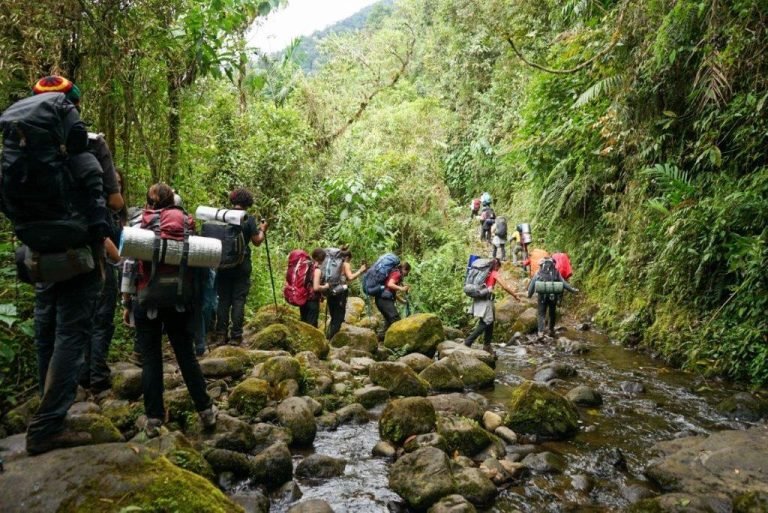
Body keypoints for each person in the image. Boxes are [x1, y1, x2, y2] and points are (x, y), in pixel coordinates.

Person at [16, 76, 110, 454]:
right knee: (71, 333)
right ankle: (48, 425)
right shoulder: (90, 148)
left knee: (46, 329)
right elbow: (110, 202)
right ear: (74, 108)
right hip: (79, 254)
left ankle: (47, 409)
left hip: (39, 254)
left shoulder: (23, 154)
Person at [125, 183, 217, 437]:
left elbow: (130, 267)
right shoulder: (186, 225)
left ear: (149, 203)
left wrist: (126, 302)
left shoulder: (140, 225)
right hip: (179, 301)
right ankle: (206, 410)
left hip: (146, 300)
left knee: (151, 359)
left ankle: (154, 419)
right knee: (185, 355)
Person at [213, 188, 267, 345]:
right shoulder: (247, 219)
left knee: (223, 300)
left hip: (223, 264)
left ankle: (220, 334)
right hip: (242, 264)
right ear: (247, 202)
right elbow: (257, 241)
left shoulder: (223, 216)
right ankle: (236, 336)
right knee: (238, 299)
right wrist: (263, 230)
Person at [464, 259, 519, 353]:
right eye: (498, 268)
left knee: (490, 322)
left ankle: (487, 346)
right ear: (497, 266)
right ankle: (468, 341)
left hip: (479, 297)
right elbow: (505, 286)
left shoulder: (484, 273)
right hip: (486, 300)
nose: (498, 270)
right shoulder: (494, 273)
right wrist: (515, 295)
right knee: (486, 322)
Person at [527, 257, 579, 337]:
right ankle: (551, 330)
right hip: (553, 296)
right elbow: (564, 283)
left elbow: (532, 285)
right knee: (552, 313)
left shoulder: (538, 273)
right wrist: (573, 290)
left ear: (542, 265)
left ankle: (541, 332)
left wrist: (529, 295)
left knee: (541, 314)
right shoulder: (556, 272)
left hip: (542, 297)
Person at [325, 246, 366, 340]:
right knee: (339, 317)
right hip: (340, 292)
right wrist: (360, 271)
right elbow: (350, 277)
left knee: (333, 315)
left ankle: (328, 337)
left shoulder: (332, 262)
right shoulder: (345, 264)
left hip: (330, 290)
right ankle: (332, 339)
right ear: (347, 257)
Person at [375, 261, 411, 339]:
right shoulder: (397, 274)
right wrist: (401, 288)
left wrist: (402, 301)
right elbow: (390, 284)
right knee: (396, 319)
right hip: (384, 300)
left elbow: (391, 292)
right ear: (404, 269)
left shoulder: (393, 273)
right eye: (407, 272)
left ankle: (379, 339)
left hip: (380, 300)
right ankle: (399, 341)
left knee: (388, 322)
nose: (407, 275)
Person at [301, 248, 329, 327]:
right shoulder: (316, 270)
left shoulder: (304, 265)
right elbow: (316, 288)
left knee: (303, 322)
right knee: (311, 325)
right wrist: (325, 286)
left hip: (302, 298)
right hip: (312, 300)